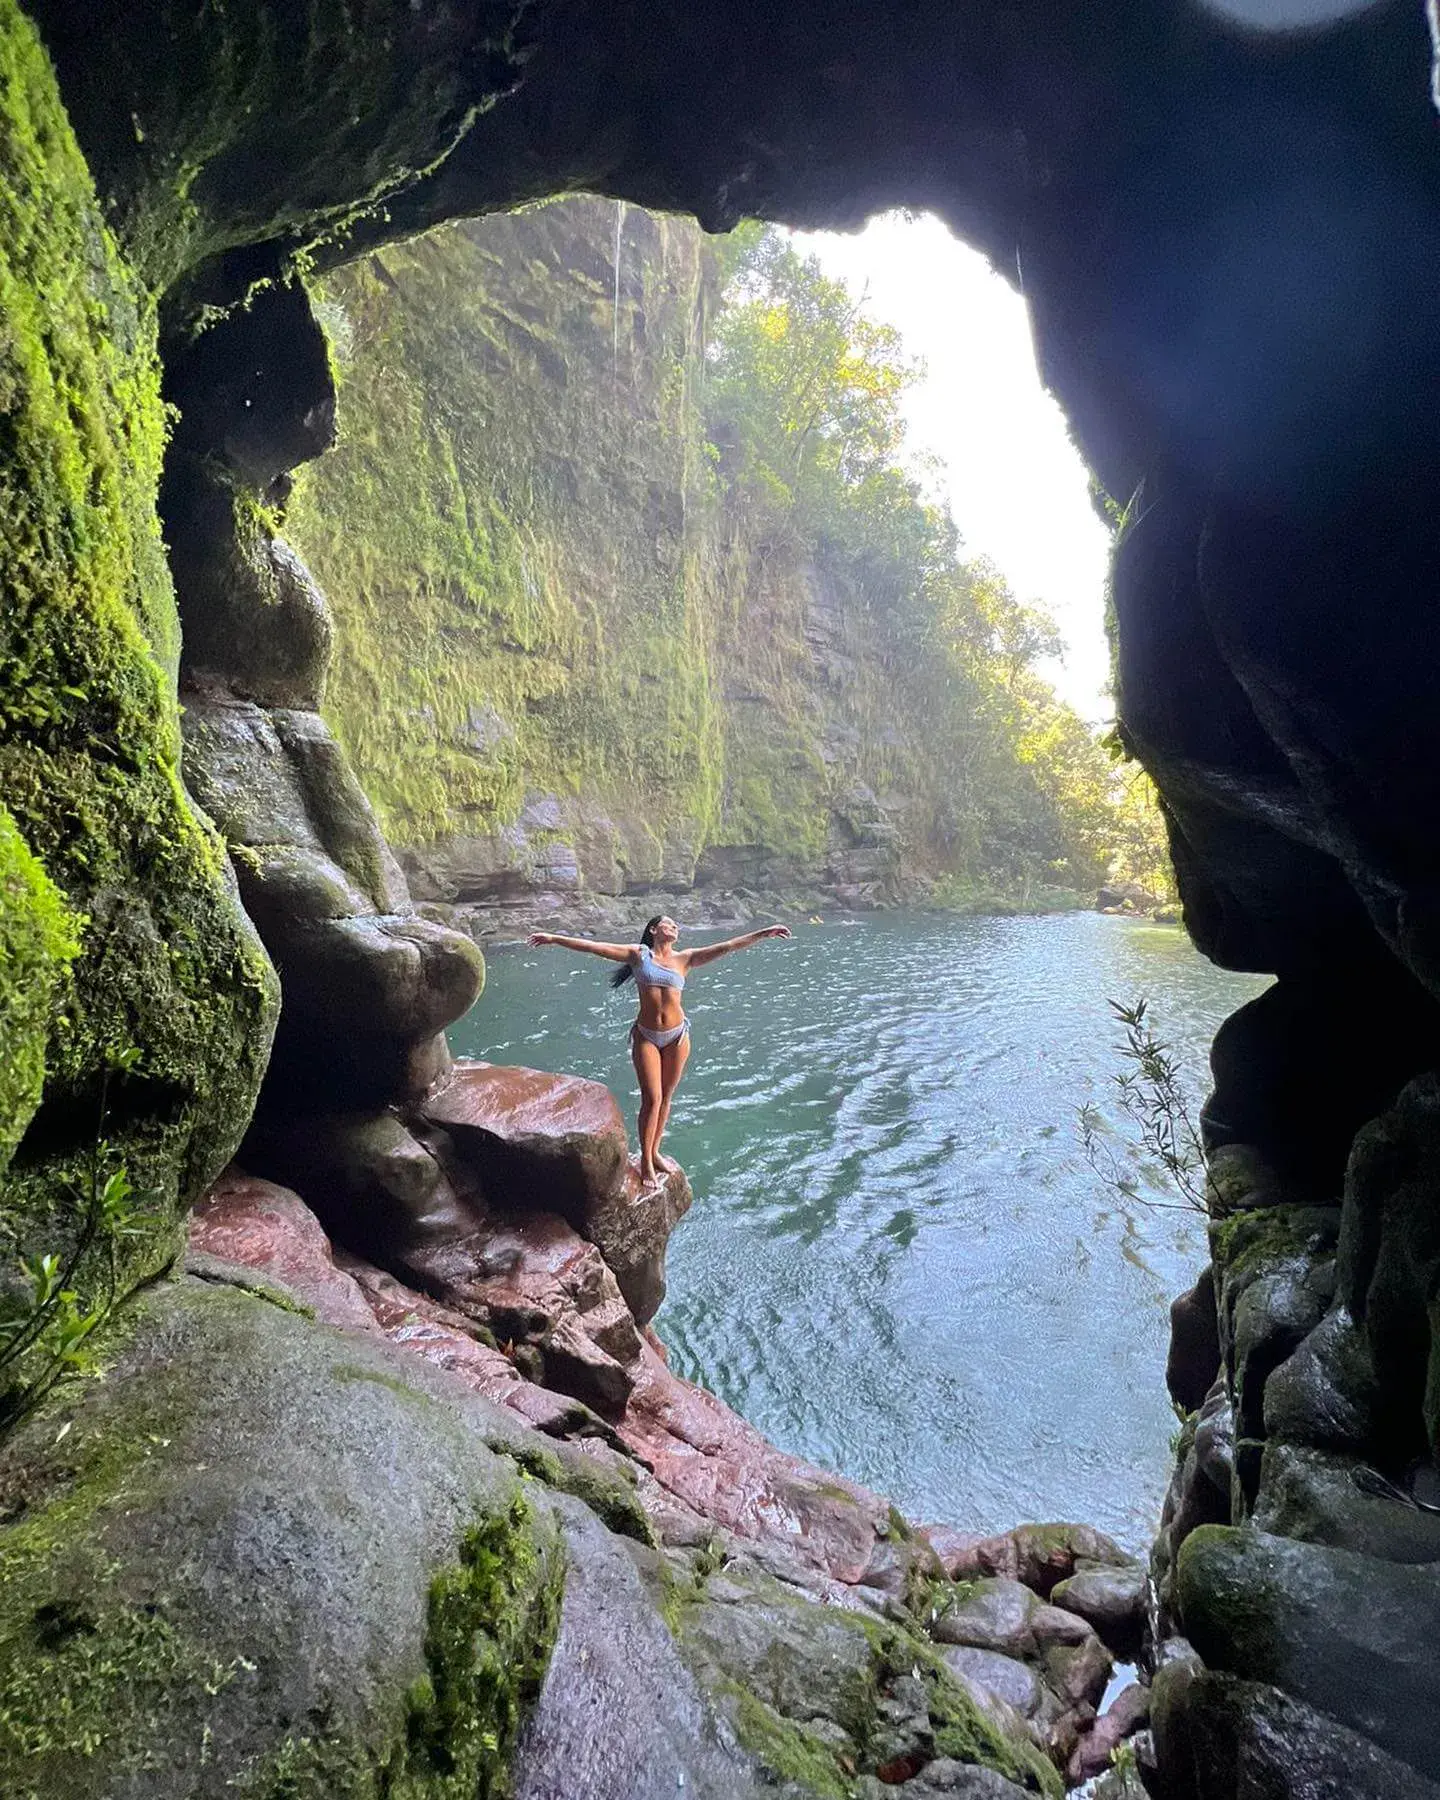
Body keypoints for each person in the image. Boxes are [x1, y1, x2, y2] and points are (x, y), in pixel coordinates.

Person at [526, 915, 791, 1186]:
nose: (675, 927)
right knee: (652, 1098)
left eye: (677, 925)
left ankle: (654, 1153)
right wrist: (554, 938)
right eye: (669, 924)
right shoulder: (639, 955)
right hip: (647, 1036)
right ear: (653, 929)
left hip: (678, 1036)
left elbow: (729, 945)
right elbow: (594, 947)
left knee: (666, 1098)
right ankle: (644, 1161)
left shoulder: (685, 958)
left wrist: (764, 933)